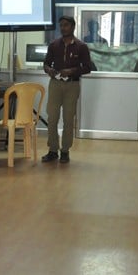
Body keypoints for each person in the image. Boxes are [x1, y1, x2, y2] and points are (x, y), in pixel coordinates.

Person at [42, 15, 93, 164]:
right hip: (55, 84)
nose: (63, 28)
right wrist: (49, 70)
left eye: (66, 25)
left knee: (68, 119)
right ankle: (52, 150)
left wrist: (71, 71)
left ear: (72, 27)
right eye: (61, 25)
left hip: (72, 85)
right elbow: (45, 64)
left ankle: (65, 151)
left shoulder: (81, 46)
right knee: (52, 118)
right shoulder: (54, 45)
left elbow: (88, 68)